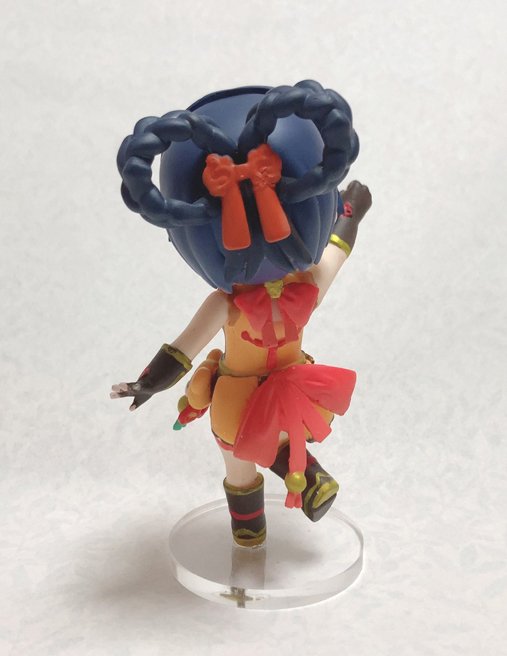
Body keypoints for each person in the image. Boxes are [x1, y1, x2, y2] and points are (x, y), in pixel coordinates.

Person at [111, 80, 372, 547]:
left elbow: (183, 350)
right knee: (249, 454)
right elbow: (337, 248)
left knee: (242, 454)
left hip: (255, 394)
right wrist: (350, 211)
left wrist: (350, 210)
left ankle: (275, 503)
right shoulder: (293, 289)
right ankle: (271, 506)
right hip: (270, 390)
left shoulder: (266, 295)